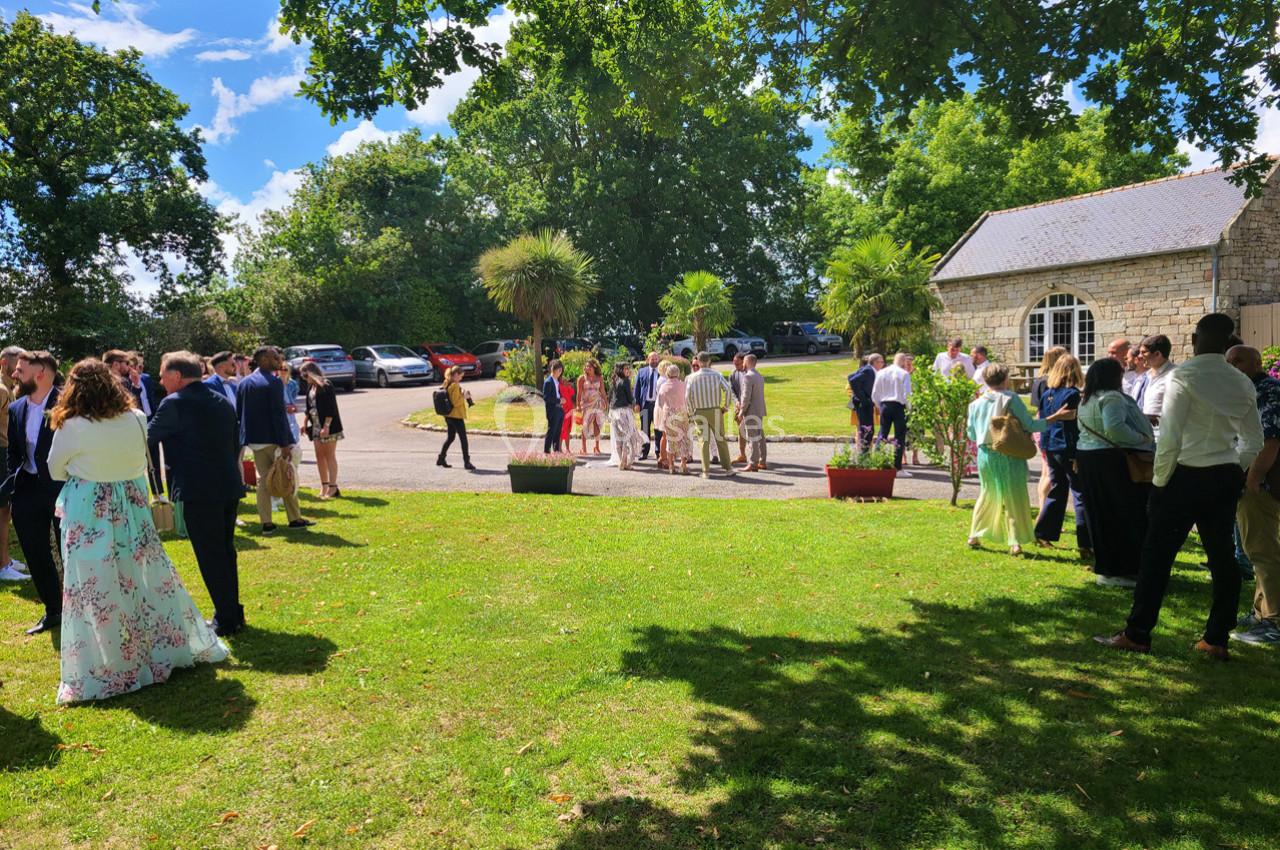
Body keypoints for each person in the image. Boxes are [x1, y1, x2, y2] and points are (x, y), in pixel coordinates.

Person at [46, 358, 228, 703]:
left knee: (95, 585)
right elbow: (139, 461)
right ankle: (158, 648)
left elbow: (55, 469)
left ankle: (113, 660)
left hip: (90, 507)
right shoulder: (136, 418)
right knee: (142, 578)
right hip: (130, 503)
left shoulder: (71, 424)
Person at [1095, 313, 1263, 659]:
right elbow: (1253, 440)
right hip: (1224, 474)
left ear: (1196, 337)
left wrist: (1159, 483)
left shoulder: (1184, 376)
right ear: (1227, 339)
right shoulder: (1242, 382)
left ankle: (1138, 632)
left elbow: (1169, 437)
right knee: (1223, 559)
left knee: (1156, 556)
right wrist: (1236, 468)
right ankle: (1216, 638)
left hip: (1183, 475)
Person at [148, 351, 246, 637]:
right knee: (225, 551)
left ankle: (226, 619)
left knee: (211, 554)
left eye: (163, 374)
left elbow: (145, 437)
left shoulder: (174, 403)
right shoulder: (221, 399)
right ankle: (232, 611)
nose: (160, 380)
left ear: (177, 376)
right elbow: (234, 443)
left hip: (199, 490)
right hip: (227, 485)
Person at [967, 364, 1075, 555]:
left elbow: (972, 433)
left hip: (985, 452)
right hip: (1009, 451)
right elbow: (1031, 424)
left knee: (987, 492)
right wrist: (1055, 417)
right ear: (1005, 379)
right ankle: (1015, 542)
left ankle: (974, 534)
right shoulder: (1011, 398)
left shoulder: (975, 403)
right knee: (1014, 495)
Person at [1075, 358, 1155, 587]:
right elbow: (1115, 428)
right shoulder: (1111, 397)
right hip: (1110, 460)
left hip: (1089, 458)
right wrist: (1142, 438)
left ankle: (1108, 567)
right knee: (1124, 513)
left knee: (1101, 513)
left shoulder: (1087, 399)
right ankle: (1121, 569)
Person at [3, 350, 64, 633]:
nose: (14, 374)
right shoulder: (16, 408)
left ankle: (80, 612)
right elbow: (13, 454)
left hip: (64, 490)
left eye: (20, 370)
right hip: (27, 491)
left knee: (69, 551)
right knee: (35, 552)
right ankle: (54, 610)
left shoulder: (67, 402)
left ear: (40, 373)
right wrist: (15, 486)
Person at [1226, 345, 1280, 645]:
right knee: (1256, 547)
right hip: (1252, 478)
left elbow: (1270, 439)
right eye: (1228, 361)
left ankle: (1273, 621)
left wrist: (1254, 478)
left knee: (1262, 549)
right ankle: (1261, 612)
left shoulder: (1266, 390)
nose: (1232, 366)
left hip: (1261, 481)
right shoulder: (1246, 389)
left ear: (1257, 363)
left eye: (1238, 360)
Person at [237, 346, 312, 532]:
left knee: (263, 480)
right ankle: (294, 519)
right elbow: (278, 415)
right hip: (273, 439)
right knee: (286, 475)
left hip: (254, 440)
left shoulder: (244, 383)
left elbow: (240, 412)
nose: (279, 361)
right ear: (263, 360)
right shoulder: (273, 382)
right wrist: (285, 443)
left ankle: (266, 522)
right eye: (274, 358)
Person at [1033, 353, 1092, 556]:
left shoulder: (1047, 393)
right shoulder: (1073, 394)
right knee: (1080, 493)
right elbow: (1073, 425)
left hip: (1050, 445)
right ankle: (1086, 543)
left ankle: (1043, 532)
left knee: (1057, 489)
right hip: (1068, 447)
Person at [104, 349, 165, 494]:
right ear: (116, 365)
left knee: (149, 459)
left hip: (136, 424)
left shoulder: (127, 381)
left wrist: (136, 385)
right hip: (118, 432)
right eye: (126, 363)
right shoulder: (108, 382)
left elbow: (132, 401)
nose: (129, 366)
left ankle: (155, 493)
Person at [685, 352, 736, 478]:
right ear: (709, 361)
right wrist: (725, 406)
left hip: (699, 411)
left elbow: (687, 397)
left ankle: (706, 471)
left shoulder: (692, 377)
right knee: (720, 439)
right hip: (715, 410)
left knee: (703, 441)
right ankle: (728, 468)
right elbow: (728, 390)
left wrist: (691, 412)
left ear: (699, 361)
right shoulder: (717, 375)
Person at [0, 361, 29, 582]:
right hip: (1, 451)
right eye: (17, 365)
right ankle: (3, 565)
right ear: (4, 363)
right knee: (2, 511)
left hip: (6, 451)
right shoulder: (1, 390)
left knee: (5, 510)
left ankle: (6, 560)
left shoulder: (9, 389)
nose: (20, 370)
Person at [299, 361, 345, 496]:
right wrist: (305, 422)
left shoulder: (326, 385)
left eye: (306, 376)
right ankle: (324, 485)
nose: (305, 380)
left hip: (329, 426)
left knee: (329, 455)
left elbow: (331, 407)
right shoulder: (310, 388)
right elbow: (309, 407)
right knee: (319, 456)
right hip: (316, 426)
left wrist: (326, 426)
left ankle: (333, 487)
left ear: (312, 373)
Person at [1031, 346, 1068, 510]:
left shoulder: (1038, 379)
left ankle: (1042, 509)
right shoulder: (1050, 382)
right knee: (1049, 472)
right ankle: (1045, 512)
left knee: (1045, 471)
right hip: (1050, 424)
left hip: (1040, 422)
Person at [871, 352, 913, 476]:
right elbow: (907, 395)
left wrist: (880, 406)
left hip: (885, 404)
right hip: (899, 406)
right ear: (904, 362)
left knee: (882, 433)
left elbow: (875, 393)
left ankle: (877, 462)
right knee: (899, 436)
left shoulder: (881, 372)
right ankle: (897, 467)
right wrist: (909, 409)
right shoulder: (904, 374)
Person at [606, 362, 644, 470]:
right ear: (620, 370)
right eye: (626, 369)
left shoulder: (614, 380)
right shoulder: (625, 381)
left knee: (618, 438)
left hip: (613, 412)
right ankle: (624, 461)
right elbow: (629, 396)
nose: (628, 370)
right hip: (623, 411)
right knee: (628, 437)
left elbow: (611, 397)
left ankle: (621, 462)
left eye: (628, 368)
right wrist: (634, 404)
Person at [656, 364, 692, 475]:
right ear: (678, 373)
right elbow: (687, 399)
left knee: (670, 439)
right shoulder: (683, 385)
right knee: (683, 438)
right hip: (681, 413)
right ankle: (683, 464)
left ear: (667, 374)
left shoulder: (663, 386)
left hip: (669, 414)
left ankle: (671, 465)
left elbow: (660, 403)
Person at [438, 366, 476, 470]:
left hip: (449, 416)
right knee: (463, 439)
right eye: (460, 376)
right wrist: (464, 397)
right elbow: (455, 402)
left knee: (450, 438)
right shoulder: (454, 385)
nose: (461, 378)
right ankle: (466, 462)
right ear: (455, 375)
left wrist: (462, 393)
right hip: (456, 416)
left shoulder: (447, 383)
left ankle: (441, 458)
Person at [1135, 334, 1175, 425]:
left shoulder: (1174, 375)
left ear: (1157, 354)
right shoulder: (1145, 376)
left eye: (1143, 352)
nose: (1139, 356)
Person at [847, 354, 882, 451]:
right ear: (875, 362)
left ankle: (865, 454)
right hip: (863, 404)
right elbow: (852, 379)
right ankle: (864, 455)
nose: (883, 364)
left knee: (868, 430)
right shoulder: (869, 371)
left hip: (867, 403)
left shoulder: (871, 371)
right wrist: (863, 398)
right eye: (881, 362)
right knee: (867, 430)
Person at [739, 354, 767, 471]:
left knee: (752, 437)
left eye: (744, 362)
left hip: (751, 411)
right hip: (760, 410)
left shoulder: (748, 377)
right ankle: (762, 460)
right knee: (760, 436)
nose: (743, 364)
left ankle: (753, 463)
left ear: (748, 362)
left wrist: (741, 411)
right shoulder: (759, 376)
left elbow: (746, 397)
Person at [634, 352, 664, 462]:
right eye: (652, 359)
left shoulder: (662, 373)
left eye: (656, 359)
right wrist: (636, 403)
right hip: (645, 405)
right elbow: (637, 389)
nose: (655, 361)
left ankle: (659, 452)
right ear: (648, 360)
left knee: (658, 430)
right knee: (645, 430)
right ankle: (644, 452)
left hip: (658, 406)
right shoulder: (641, 372)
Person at [576, 359, 607, 456]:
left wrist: (606, 402)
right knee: (585, 425)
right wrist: (577, 405)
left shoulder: (599, 378)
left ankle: (597, 447)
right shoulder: (582, 378)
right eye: (586, 366)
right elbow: (579, 393)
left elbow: (602, 391)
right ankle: (583, 448)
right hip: (586, 404)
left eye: (589, 366)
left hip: (597, 403)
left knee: (597, 424)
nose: (587, 368)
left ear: (594, 367)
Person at [728, 353, 748, 464]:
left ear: (744, 362)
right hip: (739, 407)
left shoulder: (750, 374)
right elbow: (731, 391)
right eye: (734, 364)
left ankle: (757, 456)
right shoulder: (733, 374)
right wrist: (736, 402)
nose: (736, 366)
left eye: (738, 364)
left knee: (753, 432)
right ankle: (742, 454)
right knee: (741, 430)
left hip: (750, 408)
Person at [543, 360, 566, 453]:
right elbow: (546, 397)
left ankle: (556, 452)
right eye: (557, 369)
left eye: (561, 370)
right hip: (552, 410)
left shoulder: (557, 381)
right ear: (552, 369)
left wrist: (561, 400)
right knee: (551, 431)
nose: (559, 371)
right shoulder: (548, 381)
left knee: (558, 433)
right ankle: (547, 452)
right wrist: (559, 400)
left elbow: (558, 394)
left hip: (559, 409)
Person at [558, 369, 575, 451]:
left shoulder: (566, 385)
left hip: (570, 409)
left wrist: (569, 385)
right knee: (562, 429)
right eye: (561, 378)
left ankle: (567, 449)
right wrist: (564, 385)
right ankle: (559, 448)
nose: (563, 379)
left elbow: (572, 393)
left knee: (568, 429)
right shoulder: (558, 386)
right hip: (563, 410)